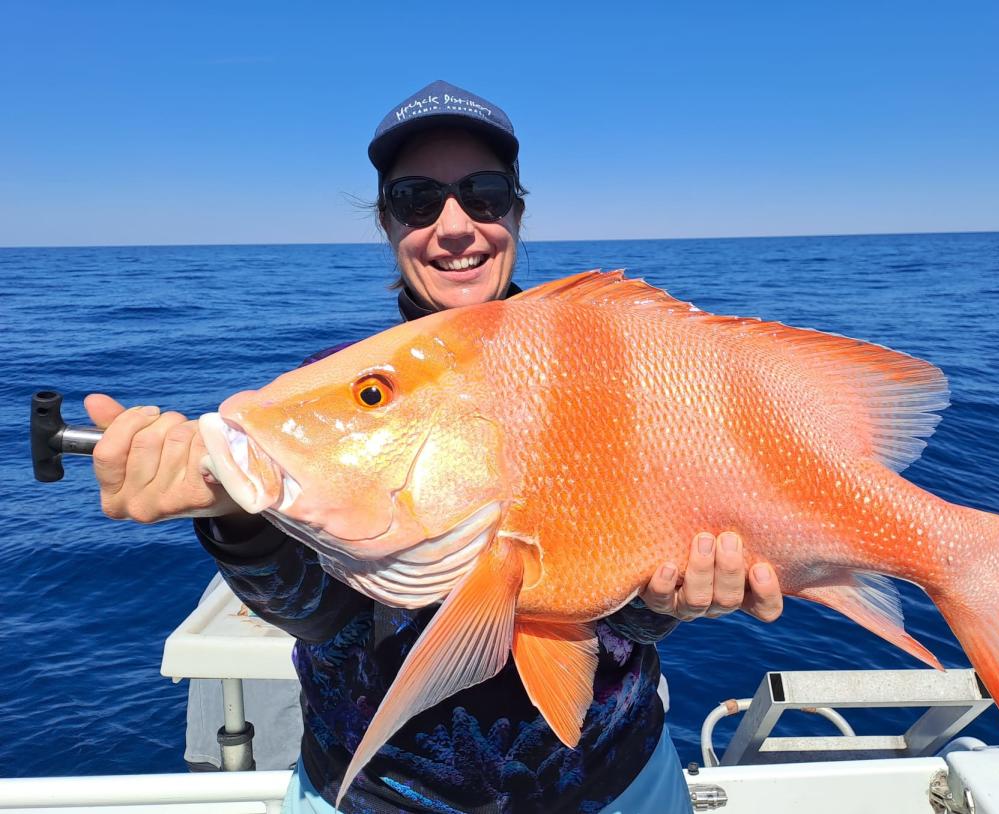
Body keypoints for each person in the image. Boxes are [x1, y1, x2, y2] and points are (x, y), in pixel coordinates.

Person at [85, 80, 784, 813]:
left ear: (516, 209)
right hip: (378, 796)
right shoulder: (326, 386)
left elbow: (621, 622)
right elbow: (323, 617)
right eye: (419, 199)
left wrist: (676, 599)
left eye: (483, 193)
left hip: (618, 784)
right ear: (387, 222)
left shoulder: (613, 367)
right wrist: (233, 522)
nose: (455, 226)